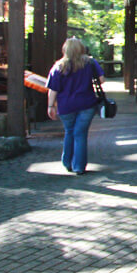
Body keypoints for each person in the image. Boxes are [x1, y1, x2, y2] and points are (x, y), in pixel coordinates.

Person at [46, 37, 105, 174]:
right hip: (87, 104)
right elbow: (101, 80)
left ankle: (67, 162)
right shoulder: (90, 62)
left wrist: (50, 106)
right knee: (80, 134)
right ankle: (79, 166)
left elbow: (53, 89)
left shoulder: (58, 66)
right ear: (81, 49)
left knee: (69, 132)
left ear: (65, 49)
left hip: (66, 106)